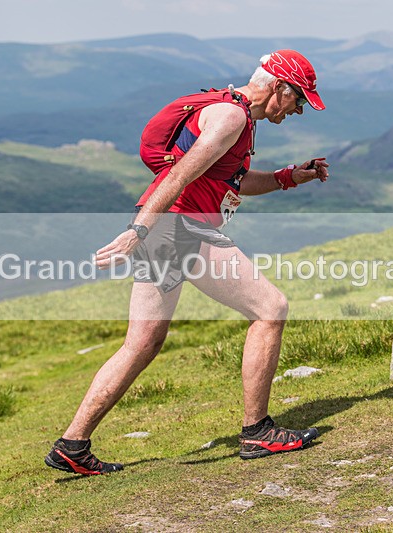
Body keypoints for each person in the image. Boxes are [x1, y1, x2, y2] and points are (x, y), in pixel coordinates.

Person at [45, 50, 331, 475]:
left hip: (168, 230)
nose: (299, 110)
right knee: (270, 309)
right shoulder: (231, 117)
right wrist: (138, 231)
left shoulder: (237, 116)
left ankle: (72, 444)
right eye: (299, 99)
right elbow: (178, 175)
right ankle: (258, 431)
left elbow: (230, 182)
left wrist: (288, 177)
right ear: (279, 87)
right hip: (180, 228)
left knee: (141, 344)